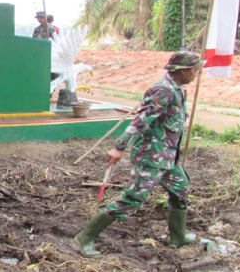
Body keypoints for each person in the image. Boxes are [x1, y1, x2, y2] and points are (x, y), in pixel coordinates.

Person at [74, 50, 204, 257]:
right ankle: (85, 238)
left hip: (169, 158)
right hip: (151, 157)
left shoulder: (178, 88)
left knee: (180, 193)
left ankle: (177, 236)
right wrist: (119, 147)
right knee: (132, 199)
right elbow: (141, 120)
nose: (198, 74)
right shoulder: (163, 90)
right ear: (184, 70)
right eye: (196, 70)